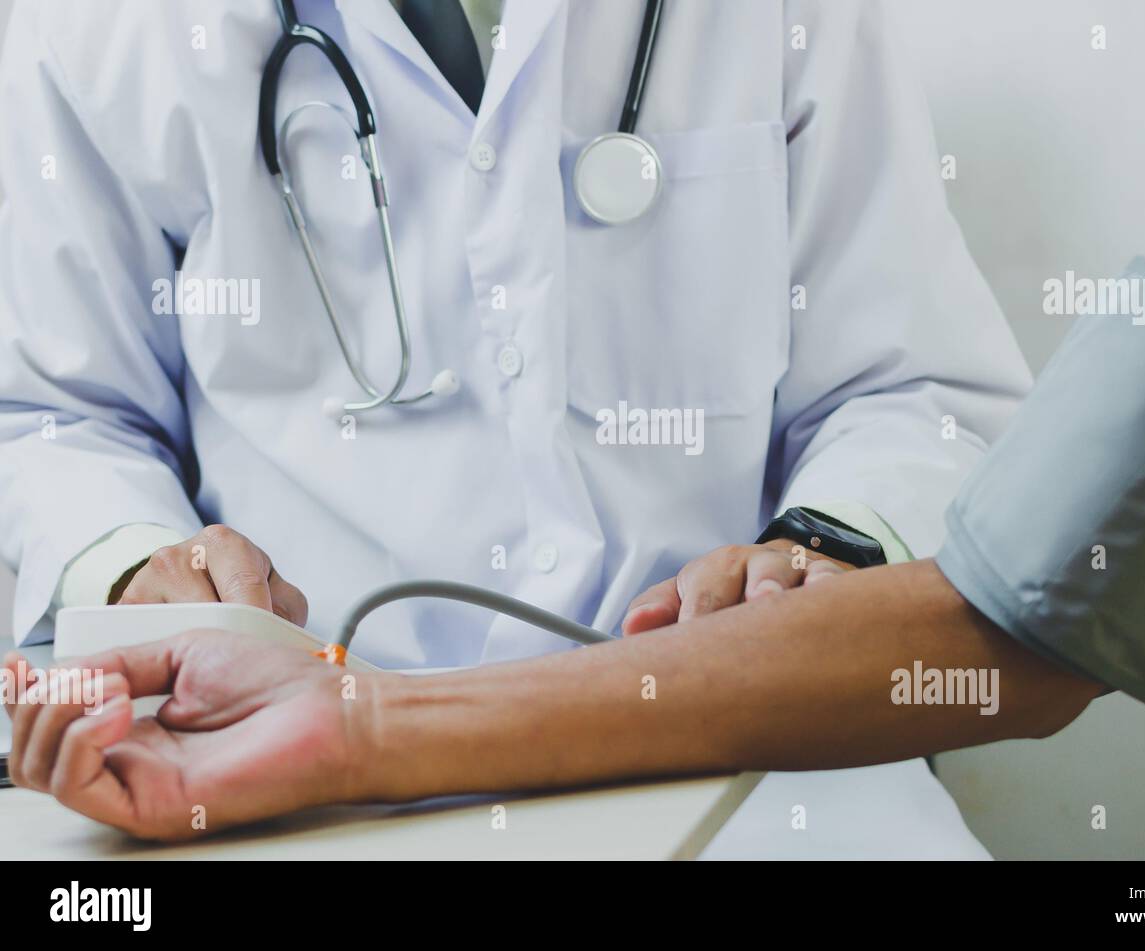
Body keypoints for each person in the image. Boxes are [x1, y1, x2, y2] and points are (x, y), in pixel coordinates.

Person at [0, 1, 1027, 846]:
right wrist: (131, 557)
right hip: (274, 758)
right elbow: (50, 412)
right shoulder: (105, 28)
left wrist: (824, 548)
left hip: (732, 745)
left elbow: (911, 392)